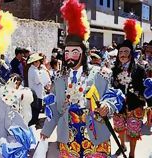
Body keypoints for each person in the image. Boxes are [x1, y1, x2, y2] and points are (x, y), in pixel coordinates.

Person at [40, 0, 124, 157]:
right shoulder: (59, 78)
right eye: (66, 52)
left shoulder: (101, 73)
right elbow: (55, 108)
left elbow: (113, 96)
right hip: (68, 135)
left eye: (74, 52)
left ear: (84, 53)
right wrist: (46, 130)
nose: (69, 56)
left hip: (95, 134)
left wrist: (107, 106)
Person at [111, 19, 145, 158]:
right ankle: (122, 145)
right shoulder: (113, 69)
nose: (123, 54)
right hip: (119, 105)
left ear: (131, 53)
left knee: (133, 131)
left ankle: (132, 153)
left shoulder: (140, 69)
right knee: (119, 128)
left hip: (135, 105)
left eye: (125, 52)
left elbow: (145, 88)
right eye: (120, 52)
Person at [27, 53, 44, 127]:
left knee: (35, 111)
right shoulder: (34, 71)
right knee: (35, 112)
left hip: (36, 93)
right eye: (38, 61)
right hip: (36, 94)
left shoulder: (33, 70)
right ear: (34, 62)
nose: (39, 63)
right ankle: (32, 126)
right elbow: (38, 81)